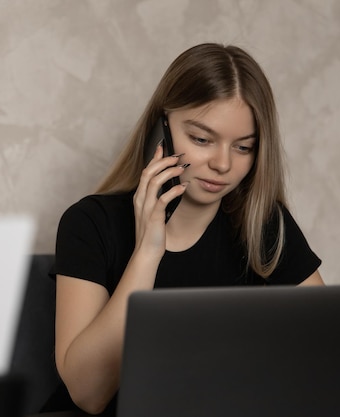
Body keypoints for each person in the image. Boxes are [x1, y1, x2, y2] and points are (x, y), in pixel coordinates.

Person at [42, 43, 324, 415]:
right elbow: (88, 393)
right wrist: (147, 252)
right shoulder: (90, 223)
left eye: (243, 147)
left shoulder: (264, 225)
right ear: (161, 131)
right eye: (202, 140)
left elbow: (326, 350)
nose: (223, 164)